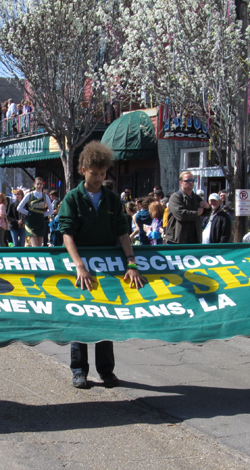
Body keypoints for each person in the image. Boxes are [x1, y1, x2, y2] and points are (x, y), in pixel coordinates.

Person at [57, 141, 145, 389]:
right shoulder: (72, 199)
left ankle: (106, 371)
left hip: (109, 267)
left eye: (103, 174)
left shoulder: (113, 200)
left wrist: (131, 263)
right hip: (82, 267)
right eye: (94, 173)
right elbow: (67, 235)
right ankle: (79, 371)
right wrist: (80, 266)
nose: (98, 178)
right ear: (83, 170)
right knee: (81, 318)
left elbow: (123, 233)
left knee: (107, 317)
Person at [166, 171, 207, 244]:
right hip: (177, 240)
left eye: (192, 180)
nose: (190, 182)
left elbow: (205, 213)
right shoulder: (175, 197)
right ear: (181, 182)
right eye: (187, 181)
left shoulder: (196, 198)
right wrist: (197, 213)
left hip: (194, 239)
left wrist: (207, 206)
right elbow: (181, 215)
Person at [18, 177, 53, 247]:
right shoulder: (29, 195)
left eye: (41, 184)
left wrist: (42, 215)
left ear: (43, 185)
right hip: (31, 223)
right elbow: (19, 208)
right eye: (37, 184)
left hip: (40, 222)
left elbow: (51, 211)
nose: (39, 186)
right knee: (35, 246)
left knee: (39, 246)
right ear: (34, 185)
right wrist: (29, 213)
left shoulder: (45, 196)